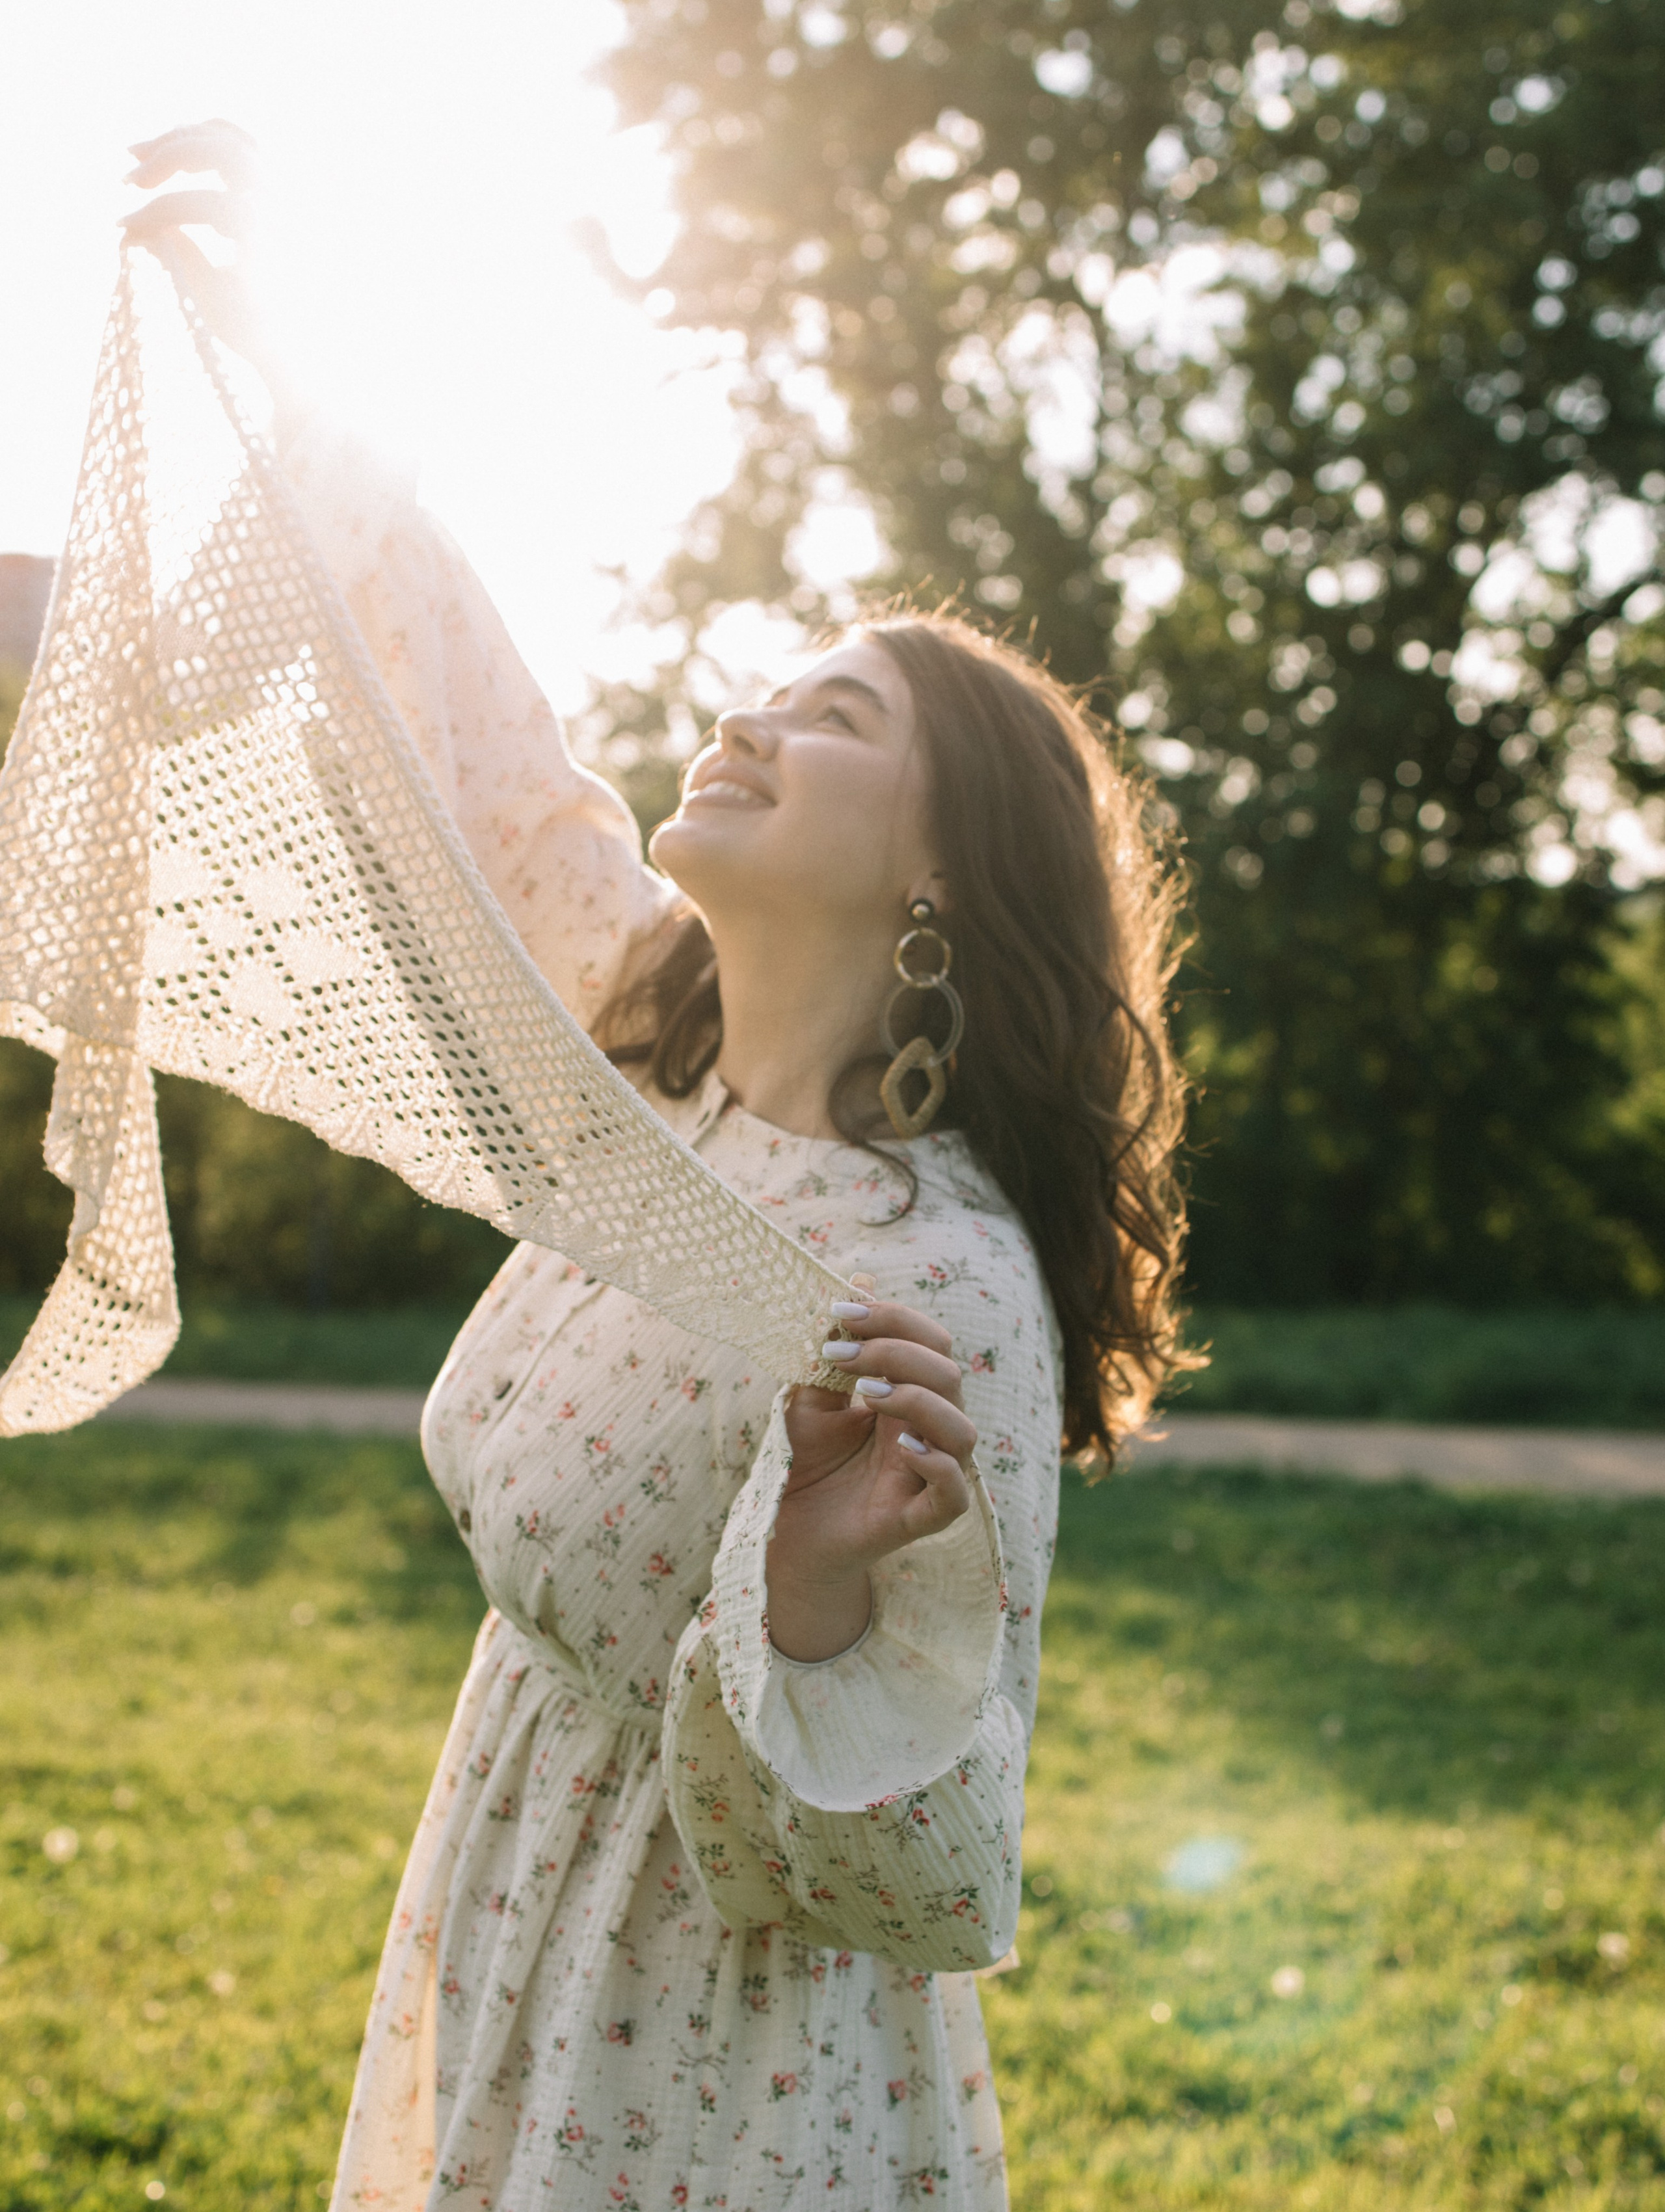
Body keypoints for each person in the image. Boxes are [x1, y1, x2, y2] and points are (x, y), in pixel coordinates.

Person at [120, 122, 1190, 2212]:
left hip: (720, 2062)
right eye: (766, 682)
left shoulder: (936, 1276)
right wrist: (293, 362)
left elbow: (941, 1835)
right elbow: (457, 738)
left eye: (838, 717)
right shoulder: (649, 1059)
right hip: (514, 1914)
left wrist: (796, 1606)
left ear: (946, 868)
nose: (752, 717)